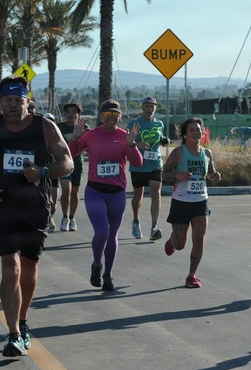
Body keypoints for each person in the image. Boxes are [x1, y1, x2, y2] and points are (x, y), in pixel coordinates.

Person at [0, 76, 72, 357]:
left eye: (18, 100)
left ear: (27, 101)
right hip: (3, 207)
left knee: (29, 269)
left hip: (36, 208)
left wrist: (43, 172)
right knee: (10, 267)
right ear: (0, 102)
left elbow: (67, 163)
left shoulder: (44, 127)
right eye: (8, 100)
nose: (13, 105)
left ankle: (22, 322)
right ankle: (12, 333)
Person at [68, 99, 142, 292]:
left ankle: (108, 274)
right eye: (108, 115)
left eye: (115, 116)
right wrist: (75, 138)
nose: (112, 119)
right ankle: (96, 265)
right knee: (102, 232)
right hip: (95, 191)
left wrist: (132, 144)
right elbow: (69, 155)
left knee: (113, 235)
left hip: (117, 194)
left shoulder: (124, 137)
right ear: (101, 117)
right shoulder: (91, 135)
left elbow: (138, 163)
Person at [161, 117, 222, 288]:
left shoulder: (207, 153)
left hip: (200, 201)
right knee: (180, 245)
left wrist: (215, 176)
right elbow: (163, 174)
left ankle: (191, 275)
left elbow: (209, 173)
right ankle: (173, 240)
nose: (196, 132)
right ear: (185, 135)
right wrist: (177, 176)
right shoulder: (178, 153)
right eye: (192, 130)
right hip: (181, 201)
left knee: (199, 238)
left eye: (198, 129)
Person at [127, 96, 169, 242]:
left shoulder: (159, 123)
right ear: (142, 108)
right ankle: (136, 221)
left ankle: (154, 226)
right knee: (138, 194)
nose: (149, 109)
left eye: (152, 107)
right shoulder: (134, 123)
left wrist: (164, 140)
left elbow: (160, 138)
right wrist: (137, 144)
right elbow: (127, 142)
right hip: (138, 164)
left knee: (156, 192)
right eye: (147, 106)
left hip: (155, 163)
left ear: (155, 108)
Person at [59, 103, 88, 231]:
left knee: (75, 192)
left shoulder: (84, 127)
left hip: (78, 164)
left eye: (74, 112)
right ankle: (64, 217)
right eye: (68, 112)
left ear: (79, 114)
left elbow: (89, 145)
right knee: (66, 191)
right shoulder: (59, 127)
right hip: (64, 163)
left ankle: (72, 218)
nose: (71, 114)